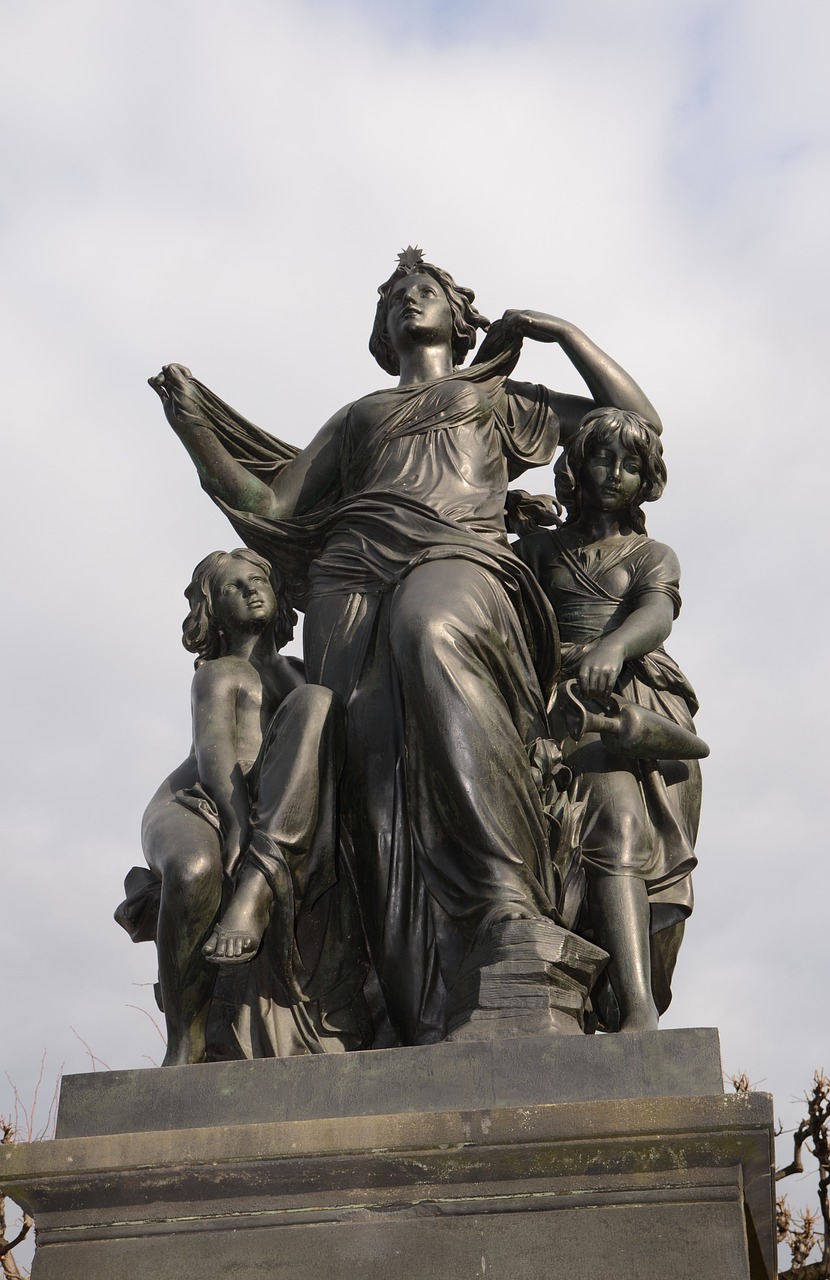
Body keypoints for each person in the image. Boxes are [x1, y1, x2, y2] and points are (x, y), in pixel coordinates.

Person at [148, 248, 661, 1045]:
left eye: (425, 291)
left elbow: (637, 420)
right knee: (368, 767)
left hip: (461, 559)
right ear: (382, 330)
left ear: (461, 319)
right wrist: (193, 432)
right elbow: (270, 503)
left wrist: (560, 332)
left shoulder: (496, 398)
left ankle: (505, 911)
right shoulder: (357, 419)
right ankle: (404, 1000)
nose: (407, 301)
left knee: (432, 629)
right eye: (393, 297)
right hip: (349, 577)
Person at [115, 548, 368, 1064]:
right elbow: (217, 761)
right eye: (235, 586)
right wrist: (234, 833)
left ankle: (258, 892)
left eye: (260, 580)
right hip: (200, 803)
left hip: (271, 806)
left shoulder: (301, 676)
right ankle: (185, 1044)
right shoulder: (219, 674)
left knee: (319, 701)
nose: (253, 590)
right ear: (211, 607)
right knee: (194, 868)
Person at [515, 408, 705, 1032]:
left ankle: (638, 1007)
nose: (616, 474)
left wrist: (614, 646)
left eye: (631, 464)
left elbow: (657, 614)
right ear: (574, 466)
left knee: (621, 826)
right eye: (602, 458)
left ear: (647, 478)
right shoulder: (539, 551)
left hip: (622, 707)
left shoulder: (651, 554)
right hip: (546, 704)